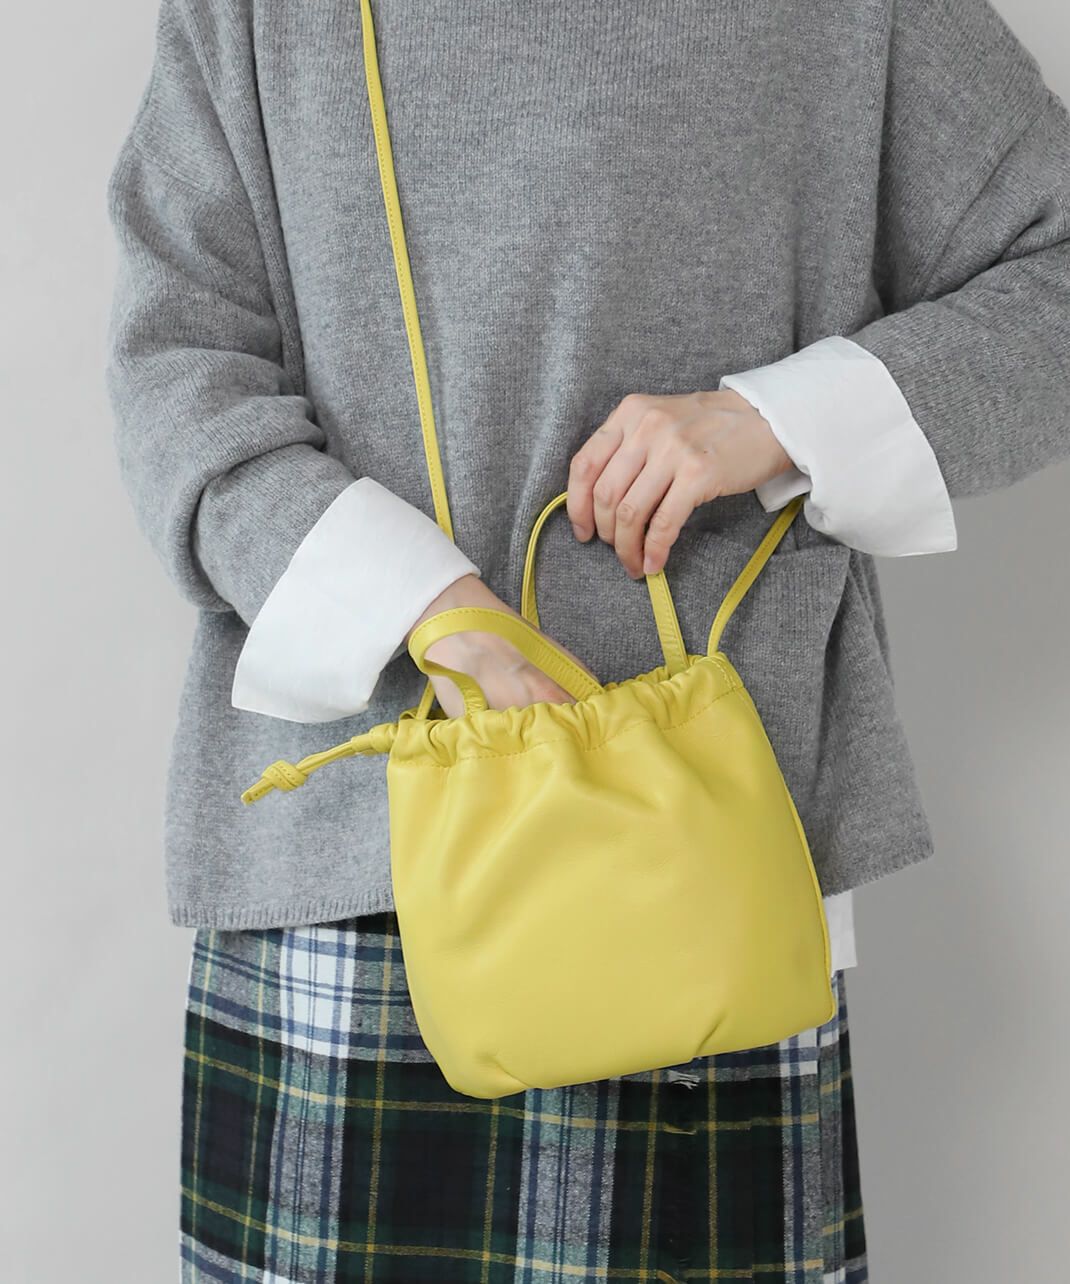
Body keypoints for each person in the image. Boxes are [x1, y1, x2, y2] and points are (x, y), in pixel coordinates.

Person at [104, 0, 1070, 1278]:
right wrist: (425, 608)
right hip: (356, 876)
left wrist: (770, 421)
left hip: (697, 876)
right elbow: (180, 369)